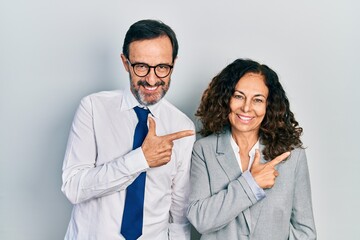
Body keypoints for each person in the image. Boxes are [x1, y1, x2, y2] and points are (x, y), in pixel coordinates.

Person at [61, 19, 195, 240]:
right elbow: (74, 188)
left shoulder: (182, 127)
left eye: (162, 67)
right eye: (141, 66)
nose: (152, 79)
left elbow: (179, 216)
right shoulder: (93, 108)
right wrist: (141, 159)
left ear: (173, 64)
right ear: (125, 63)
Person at [186, 59, 316, 239]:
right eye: (238, 96)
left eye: (258, 100)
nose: (246, 108)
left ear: (269, 106)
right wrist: (250, 184)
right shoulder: (203, 150)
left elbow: (305, 232)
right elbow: (200, 219)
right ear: (225, 100)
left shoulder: (292, 155)